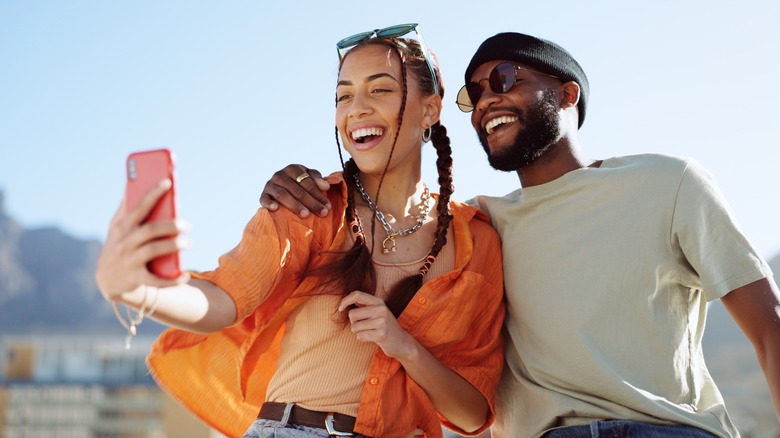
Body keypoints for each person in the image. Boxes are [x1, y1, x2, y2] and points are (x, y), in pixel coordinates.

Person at [259, 32, 780, 438]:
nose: (486, 99)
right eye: (474, 92)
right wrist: (300, 180)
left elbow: (768, 330)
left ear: (567, 93)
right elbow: (390, 207)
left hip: (670, 430)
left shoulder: (668, 182)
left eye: (505, 78)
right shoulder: (480, 226)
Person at [94, 24, 505, 438]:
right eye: (343, 95)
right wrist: (139, 289)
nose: (355, 109)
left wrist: (404, 347)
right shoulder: (309, 207)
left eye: (379, 90)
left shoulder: (477, 243)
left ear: (431, 109)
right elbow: (223, 299)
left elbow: (472, 414)